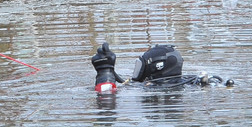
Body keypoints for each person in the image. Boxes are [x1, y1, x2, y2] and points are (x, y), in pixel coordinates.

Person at [91, 42, 233, 93]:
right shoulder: (191, 81)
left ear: (157, 67)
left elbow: (106, 94)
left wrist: (105, 73)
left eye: (141, 66)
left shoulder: (150, 88)